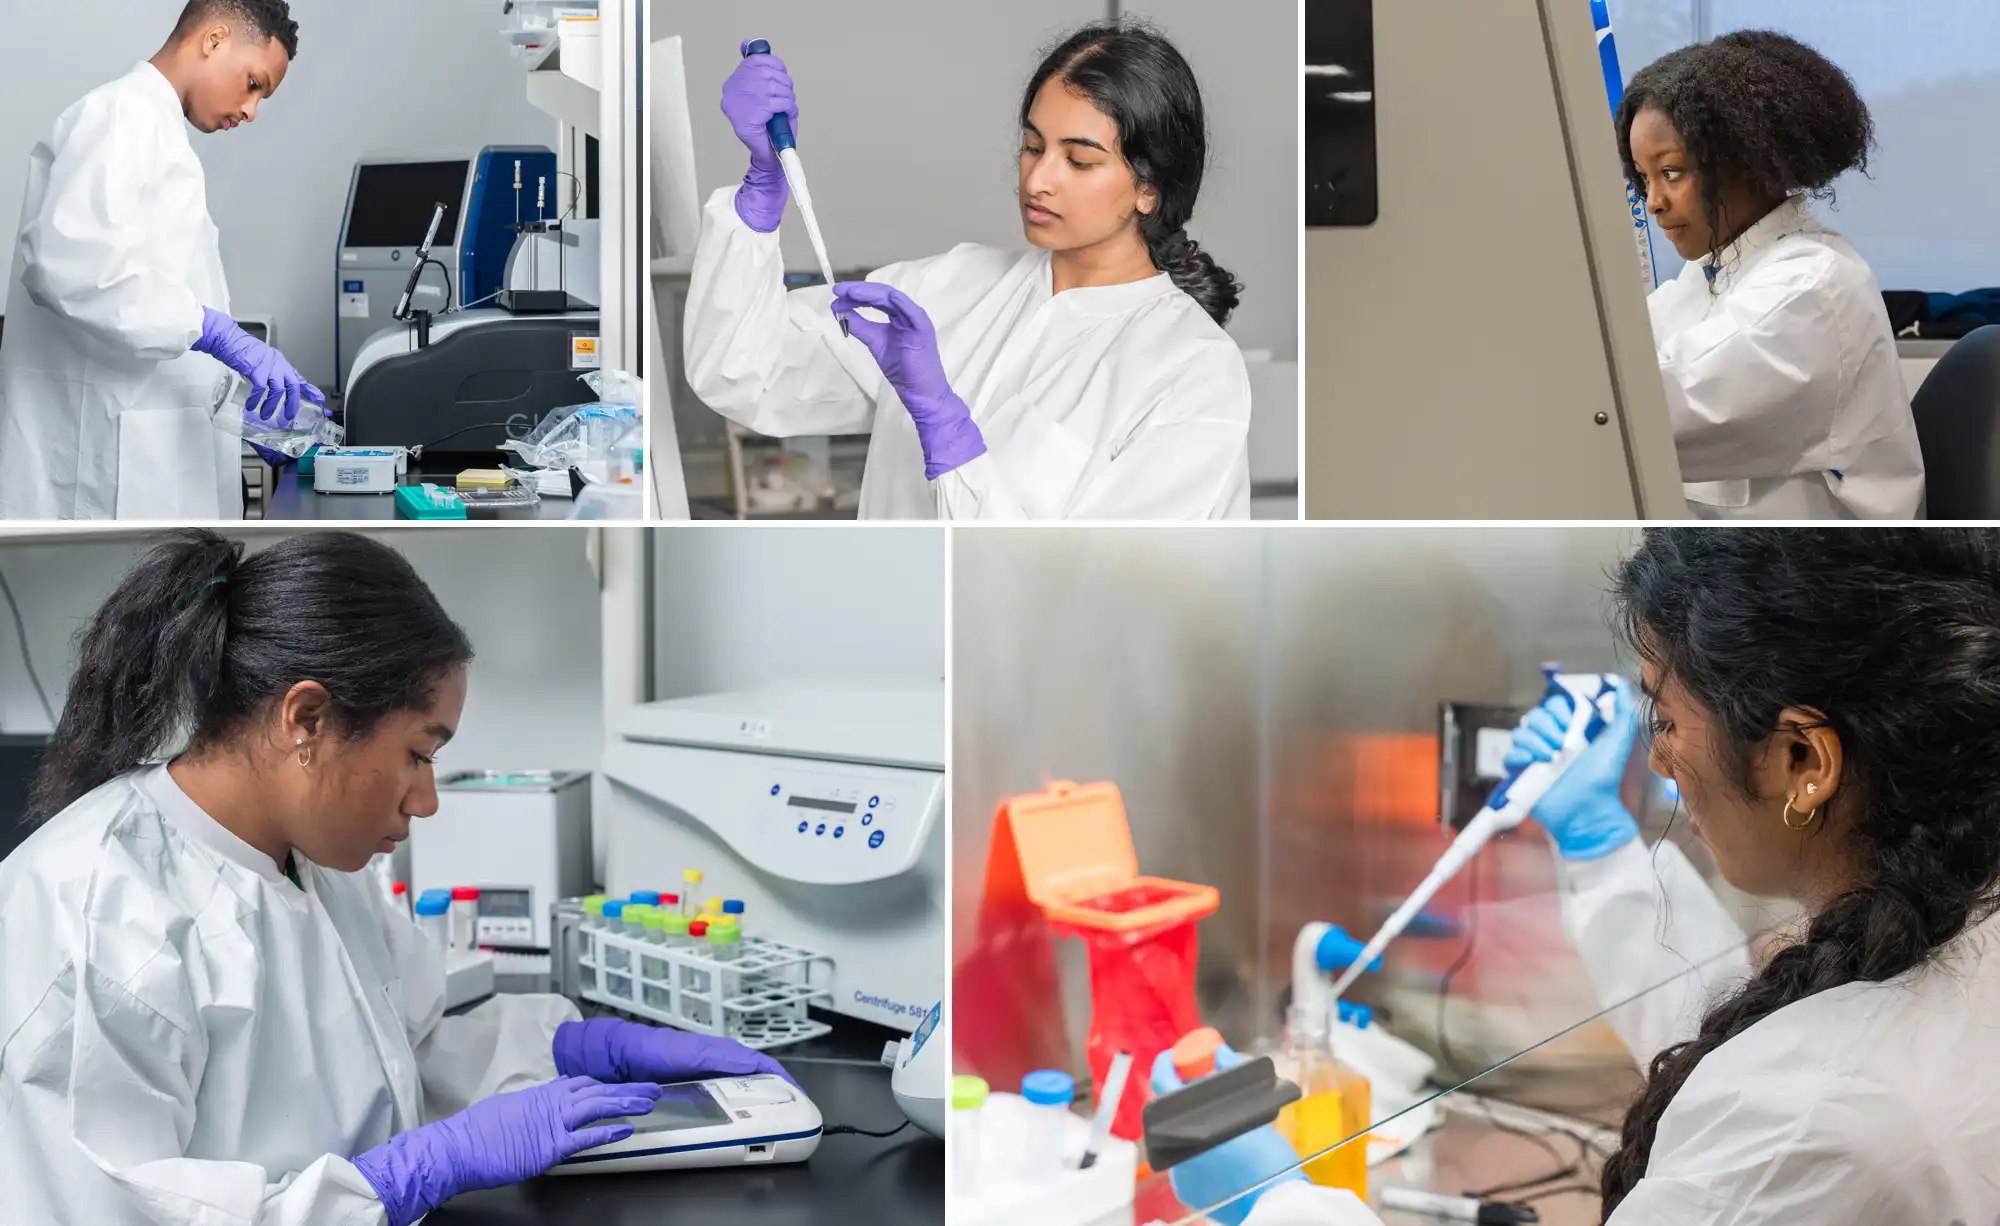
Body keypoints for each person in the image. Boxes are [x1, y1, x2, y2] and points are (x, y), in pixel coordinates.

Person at [1156, 528, 2000, 1225]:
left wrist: (1273, 1203)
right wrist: (1598, 846)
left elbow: (1783, 1102)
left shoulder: (1812, 1131)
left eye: (1666, 718)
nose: (1658, 761)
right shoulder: (1951, 926)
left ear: (1801, 759)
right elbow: (1760, 1044)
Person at [0, 531, 792, 1226]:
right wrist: (405, 1177)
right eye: (419, 752)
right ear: (307, 721)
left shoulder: (305, 858)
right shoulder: (95, 916)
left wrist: (579, 1048)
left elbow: (407, 1047)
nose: (428, 799)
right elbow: (123, 1209)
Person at [684, 21, 1253, 520]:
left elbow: (1105, 583)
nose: (1038, 180)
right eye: (1033, 147)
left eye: (1079, 160)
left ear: (1150, 189)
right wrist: (759, 199)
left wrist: (947, 429)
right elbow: (742, 373)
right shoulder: (949, 287)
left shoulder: (1192, 370)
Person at [0, 0, 325, 521]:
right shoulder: (122, 115)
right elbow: (71, 266)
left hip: (147, 463)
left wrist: (246, 412)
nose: (251, 110)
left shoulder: (159, 133)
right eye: (253, 83)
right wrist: (216, 332)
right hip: (101, 474)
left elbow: (154, 316)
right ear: (214, 39)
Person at [1617, 32, 1923, 520]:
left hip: (1832, 579)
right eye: (1643, 178)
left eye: (1671, 172)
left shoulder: (1811, 289)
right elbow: (1625, 350)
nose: (1653, 202)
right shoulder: (1712, 274)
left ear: (1748, 163)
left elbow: (1648, 411)